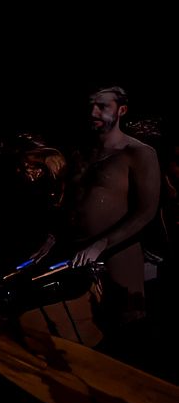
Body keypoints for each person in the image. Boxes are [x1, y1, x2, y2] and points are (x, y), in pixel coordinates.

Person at [47, 85, 162, 356]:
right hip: (75, 255)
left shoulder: (139, 153)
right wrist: (52, 237)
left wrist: (102, 243)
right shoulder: (80, 153)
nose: (93, 112)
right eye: (90, 106)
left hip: (118, 255)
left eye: (102, 106)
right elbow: (67, 203)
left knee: (127, 332)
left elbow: (146, 211)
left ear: (121, 110)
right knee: (81, 334)